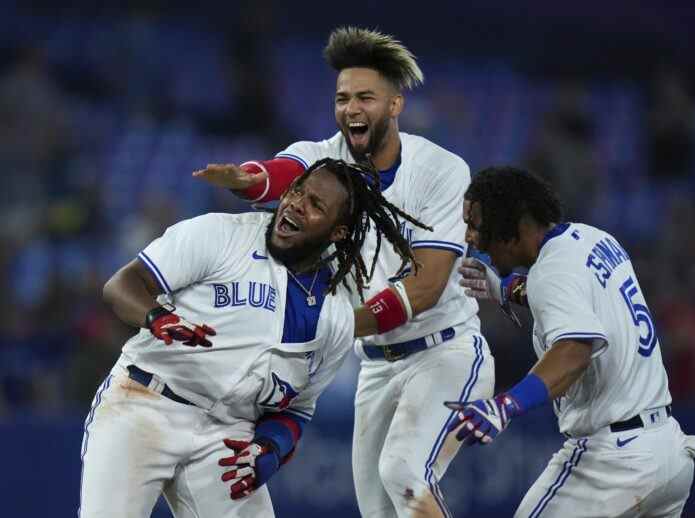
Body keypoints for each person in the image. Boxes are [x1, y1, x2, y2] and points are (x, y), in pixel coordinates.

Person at [193, 27, 494, 517]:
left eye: (365, 97)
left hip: (445, 353)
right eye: (342, 98)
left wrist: (334, 326)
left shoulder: (441, 169)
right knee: (376, 510)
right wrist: (249, 180)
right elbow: (282, 173)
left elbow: (427, 286)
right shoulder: (325, 157)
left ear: (395, 105)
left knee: (404, 471)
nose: (351, 108)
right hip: (375, 366)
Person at [79, 159, 423, 518]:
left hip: (225, 435)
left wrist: (269, 449)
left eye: (316, 205)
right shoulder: (222, 234)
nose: (295, 204)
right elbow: (121, 286)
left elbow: (297, 410)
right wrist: (157, 318)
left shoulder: (335, 318)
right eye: (297, 191)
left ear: (337, 233)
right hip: (144, 404)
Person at [447, 166, 695, 517]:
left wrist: (505, 405)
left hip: (615, 462)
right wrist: (506, 289)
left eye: (478, 225)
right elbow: (568, 294)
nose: (471, 238)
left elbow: (574, 351)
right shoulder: (594, 238)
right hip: (667, 451)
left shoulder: (551, 273)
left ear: (514, 224)